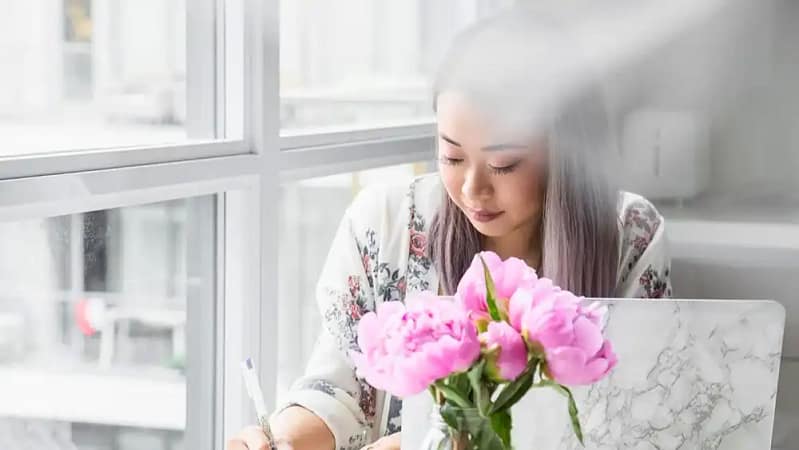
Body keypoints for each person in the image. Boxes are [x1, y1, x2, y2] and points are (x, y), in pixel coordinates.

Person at [228, 6, 671, 450]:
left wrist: (426, 440)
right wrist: (283, 437)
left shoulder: (629, 235)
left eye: (504, 164)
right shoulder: (383, 223)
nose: (473, 188)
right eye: (452, 157)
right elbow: (339, 393)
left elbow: (638, 415)